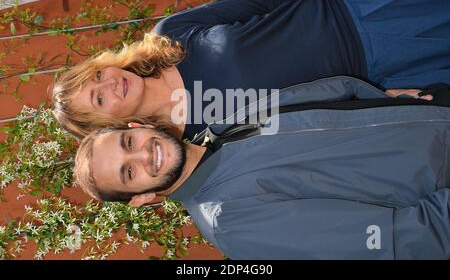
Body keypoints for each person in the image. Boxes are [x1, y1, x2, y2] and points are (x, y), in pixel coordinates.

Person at [53, 0, 450, 139]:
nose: (110, 83)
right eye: (99, 97)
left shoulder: (169, 35)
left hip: (365, 6)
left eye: (98, 75)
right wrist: (382, 102)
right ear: (110, 126)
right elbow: (308, 126)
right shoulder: (200, 137)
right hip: (387, 73)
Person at [73, 77, 450, 259]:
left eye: (128, 144)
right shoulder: (233, 224)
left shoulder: (222, 128)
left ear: (138, 127)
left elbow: (327, 94)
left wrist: (388, 99)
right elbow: (398, 239)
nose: (142, 156)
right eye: (128, 173)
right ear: (142, 197)